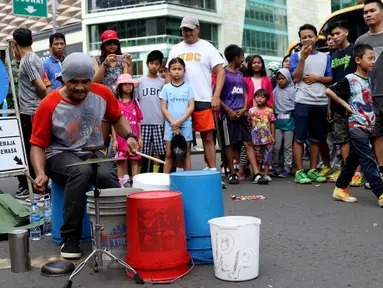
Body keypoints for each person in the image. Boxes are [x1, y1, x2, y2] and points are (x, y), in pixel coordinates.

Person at [30, 53, 139, 259]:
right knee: (80, 172)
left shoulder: (103, 94)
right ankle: (70, 237)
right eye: (74, 82)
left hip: (93, 152)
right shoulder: (49, 104)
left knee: (107, 175)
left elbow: (117, 118)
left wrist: (130, 136)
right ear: (63, 80)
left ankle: (122, 232)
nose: (80, 87)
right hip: (60, 155)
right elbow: (37, 144)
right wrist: (40, 172)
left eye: (85, 81)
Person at [167, 16, 225, 179]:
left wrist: (216, 95)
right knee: (180, 137)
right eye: (184, 29)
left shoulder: (208, 47)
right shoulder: (175, 49)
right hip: (180, 100)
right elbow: (168, 74)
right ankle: (182, 174)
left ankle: (212, 171)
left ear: (198, 29)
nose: (187, 33)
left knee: (207, 136)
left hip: (202, 98)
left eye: (190, 29)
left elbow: (220, 72)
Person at [326, 44, 383, 207]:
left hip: (367, 125)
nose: (373, 62)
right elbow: (329, 91)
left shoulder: (368, 79)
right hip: (356, 126)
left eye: (374, 58)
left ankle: (339, 188)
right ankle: (381, 192)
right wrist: (345, 105)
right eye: (370, 58)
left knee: (353, 159)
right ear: (358, 60)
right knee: (367, 159)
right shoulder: (350, 79)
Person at [290, 24, 333, 184]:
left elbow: (330, 78)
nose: (307, 39)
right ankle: (300, 171)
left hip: (321, 102)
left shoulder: (326, 57)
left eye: (310, 36)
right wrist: (302, 59)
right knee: (299, 138)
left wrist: (317, 78)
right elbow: (295, 78)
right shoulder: (295, 56)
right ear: (300, 40)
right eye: (304, 37)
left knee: (316, 139)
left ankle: (314, 169)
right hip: (302, 101)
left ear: (316, 37)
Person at [219, 45, 265, 185]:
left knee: (248, 143)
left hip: (242, 114)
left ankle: (256, 173)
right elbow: (217, 96)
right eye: (241, 57)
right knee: (230, 145)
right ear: (235, 58)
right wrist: (228, 110)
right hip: (228, 116)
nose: (243, 59)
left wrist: (245, 107)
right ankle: (232, 173)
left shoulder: (240, 74)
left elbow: (244, 92)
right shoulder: (223, 74)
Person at [12, 28, 47, 199]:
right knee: (34, 147)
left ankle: (35, 187)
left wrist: (42, 99)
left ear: (15, 44)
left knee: (31, 148)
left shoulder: (27, 60)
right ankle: (37, 186)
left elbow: (41, 86)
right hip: (33, 110)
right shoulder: (35, 57)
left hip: (31, 111)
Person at [326, 21, 362, 185]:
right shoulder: (332, 56)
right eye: (332, 35)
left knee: (358, 137)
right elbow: (332, 84)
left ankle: (358, 172)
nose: (334, 37)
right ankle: (348, 171)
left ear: (346, 32)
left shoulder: (355, 49)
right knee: (342, 140)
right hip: (336, 103)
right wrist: (329, 106)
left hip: (355, 101)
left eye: (337, 33)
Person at [355, 0, 383, 187]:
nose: (368, 15)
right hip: (370, 94)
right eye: (365, 12)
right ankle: (379, 172)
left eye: (372, 10)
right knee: (376, 134)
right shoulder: (361, 41)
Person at [238, 55, 274, 179]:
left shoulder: (267, 80)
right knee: (246, 144)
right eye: (254, 62)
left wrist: (269, 112)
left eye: (259, 62)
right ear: (250, 65)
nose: (256, 65)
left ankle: (260, 171)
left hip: (263, 116)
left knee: (263, 146)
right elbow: (244, 95)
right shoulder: (246, 79)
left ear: (262, 64)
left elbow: (270, 98)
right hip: (249, 114)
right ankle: (243, 170)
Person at [160, 58, 195, 173]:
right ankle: (165, 181)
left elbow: (191, 106)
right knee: (170, 153)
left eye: (179, 69)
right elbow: (163, 108)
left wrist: (180, 121)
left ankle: (187, 180)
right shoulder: (166, 88)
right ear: (169, 71)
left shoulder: (188, 87)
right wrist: (174, 124)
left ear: (184, 70)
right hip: (170, 125)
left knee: (186, 152)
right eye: (174, 69)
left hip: (185, 124)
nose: (177, 71)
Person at [135, 50, 166, 172]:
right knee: (141, 152)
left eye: (157, 64)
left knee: (158, 151)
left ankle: (155, 174)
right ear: (147, 63)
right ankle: (139, 175)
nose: (154, 66)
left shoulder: (162, 82)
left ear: (160, 66)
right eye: (152, 63)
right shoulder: (140, 82)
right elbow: (136, 102)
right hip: (143, 122)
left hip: (158, 121)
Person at [112, 74, 143, 186]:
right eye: (124, 84)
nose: (128, 86)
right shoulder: (116, 103)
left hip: (134, 138)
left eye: (130, 84)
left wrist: (140, 138)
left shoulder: (136, 103)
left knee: (134, 161)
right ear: (119, 87)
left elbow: (139, 121)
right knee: (120, 162)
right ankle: (121, 185)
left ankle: (135, 184)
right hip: (120, 139)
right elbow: (114, 123)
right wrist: (115, 140)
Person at [272, 68, 296, 178]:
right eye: (278, 79)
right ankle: (275, 166)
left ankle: (287, 167)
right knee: (276, 145)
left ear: (288, 78)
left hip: (289, 120)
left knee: (287, 146)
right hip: (278, 120)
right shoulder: (275, 91)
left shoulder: (293, 90)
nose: (280, 81)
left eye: (283, 78)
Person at [93, 30, 133, 95]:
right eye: (109, 43)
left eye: (115, 43)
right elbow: (96, 82)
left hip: (119, 99)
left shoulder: (122, 60)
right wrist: (104, 65)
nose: (112, 45)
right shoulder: (96, 60)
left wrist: (129, 64)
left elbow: (127, 81)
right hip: (103, 97)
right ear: (104, 45)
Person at [248, 89, 276, 182]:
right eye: (257, 97)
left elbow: (272, 123)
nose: (260, 99)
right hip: (255, 138)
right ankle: (258, 173)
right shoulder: (251, 111)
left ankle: (266, 174)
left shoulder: (269, 111)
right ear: (254, 98)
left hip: (267, 137)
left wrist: (272, 135)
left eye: (263, 97)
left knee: (267, 156)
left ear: (267, 99)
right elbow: (248, 124)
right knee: (257, 156)